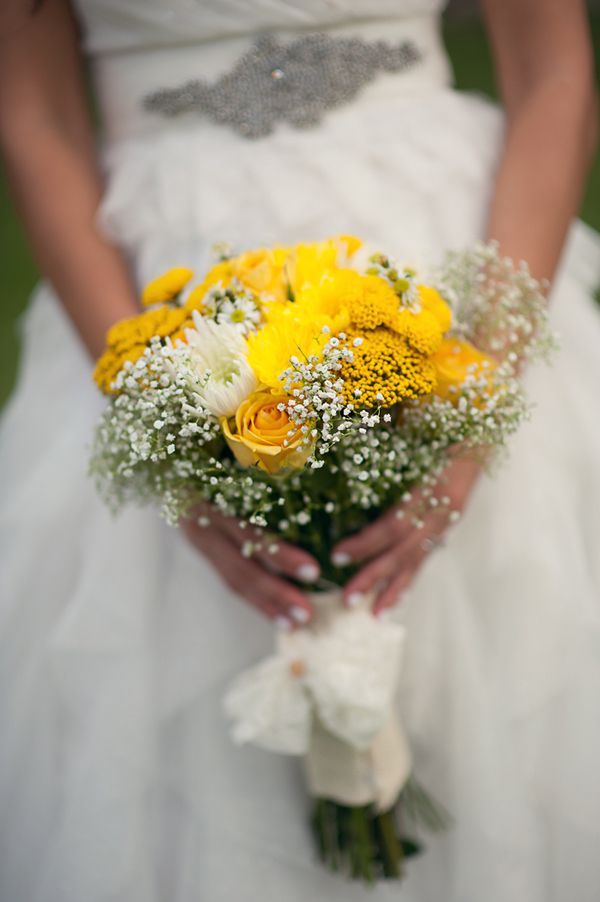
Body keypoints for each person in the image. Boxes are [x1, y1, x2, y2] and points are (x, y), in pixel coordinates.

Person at [0, 0, 599, 899]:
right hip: (152, 287)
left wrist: (474, 408)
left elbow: (553, 73)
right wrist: (164, 433)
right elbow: (35, 114)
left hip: (450, 271)